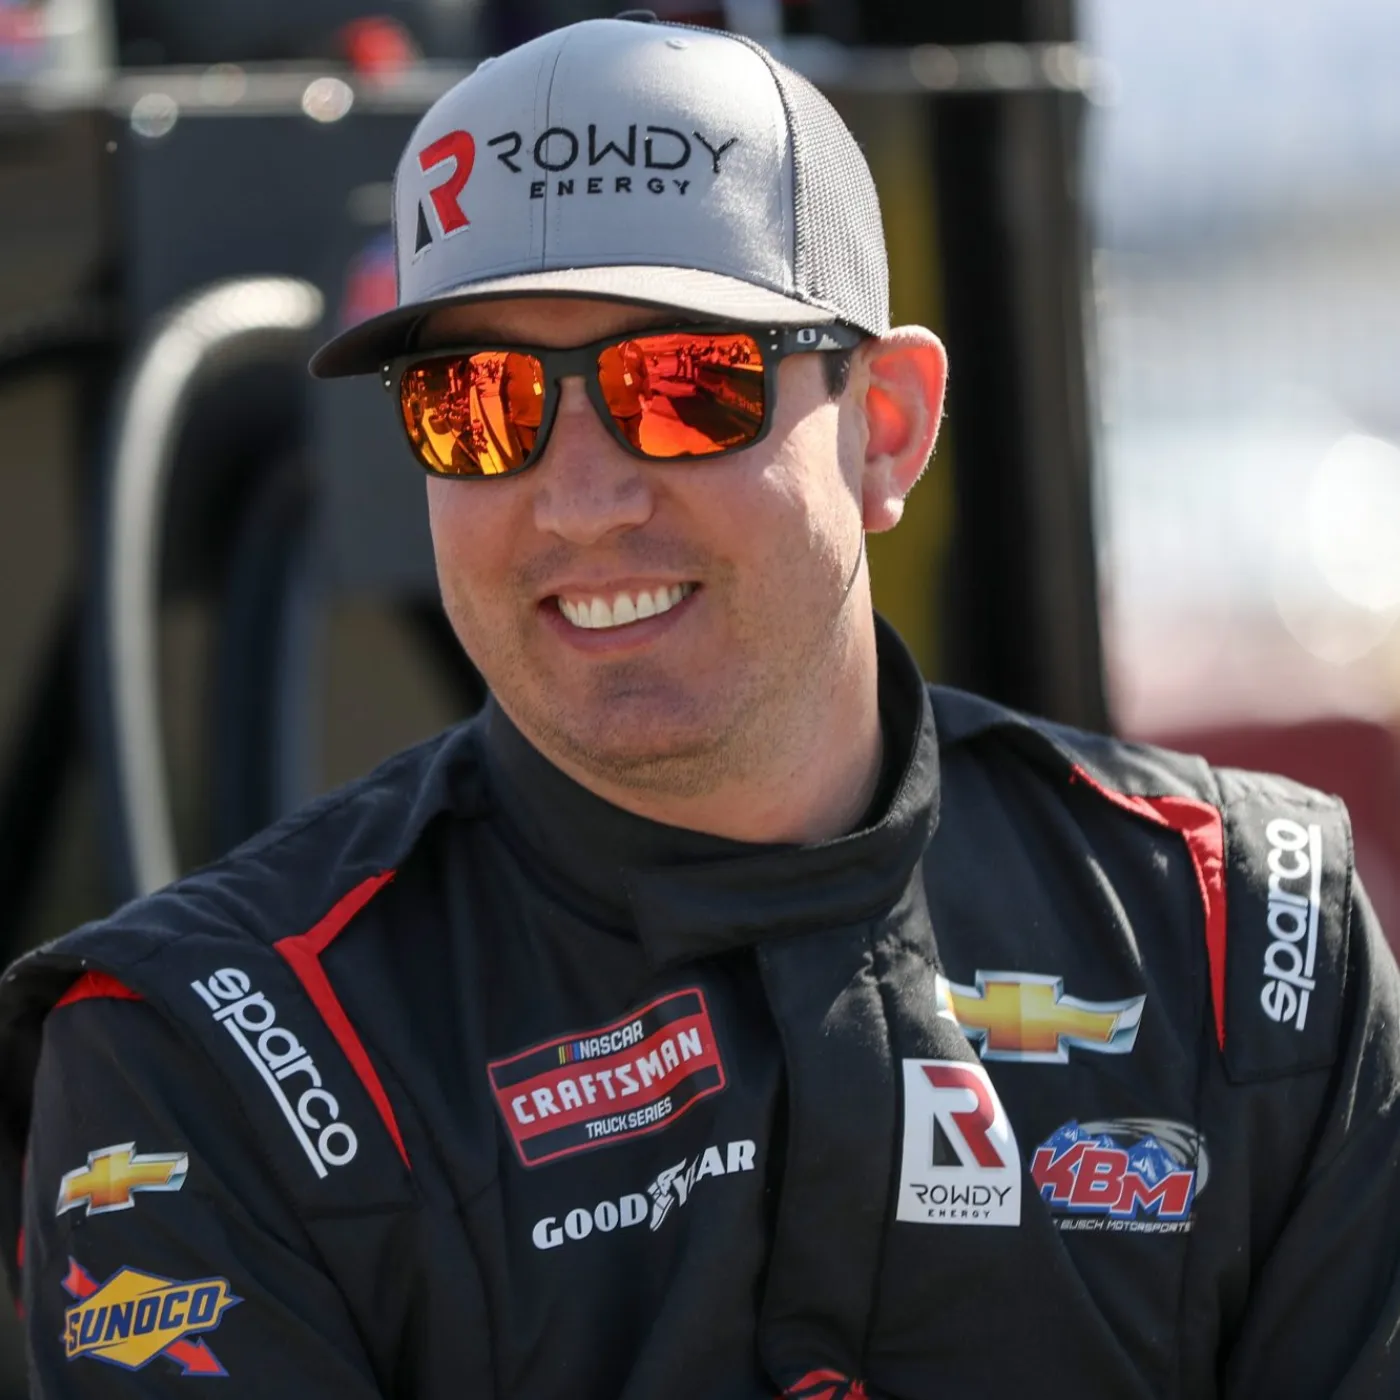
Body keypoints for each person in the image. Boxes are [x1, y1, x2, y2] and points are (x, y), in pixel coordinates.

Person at [1, 13, 1397, 1399]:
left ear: (887, 425)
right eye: (477, 403)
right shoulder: (203, 1056)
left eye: (680, 385)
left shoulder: (1250, 937)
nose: (580, 500)